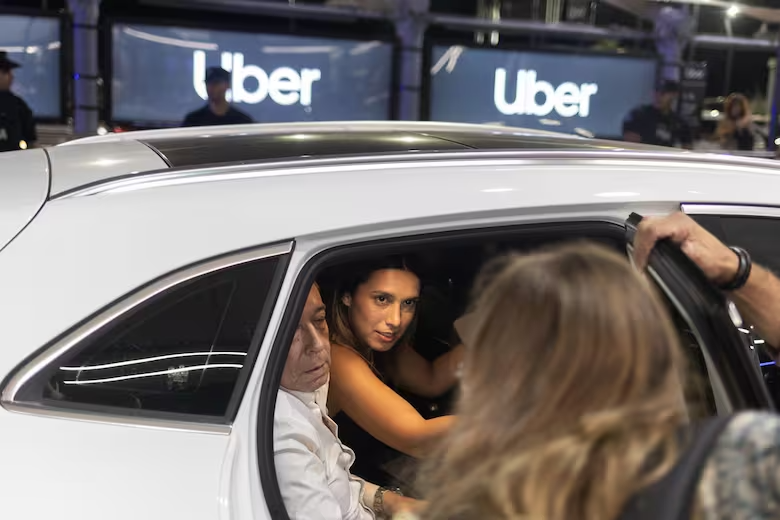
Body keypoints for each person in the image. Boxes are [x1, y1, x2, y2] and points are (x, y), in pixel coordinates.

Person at [415, 238, 780, 520]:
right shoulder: (737, 463)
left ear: (492, 373)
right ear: (652, 357)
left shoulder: (463, 506)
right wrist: (737, 271)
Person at [274, 283, 422, 520]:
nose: (318, 345)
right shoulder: (285, 439)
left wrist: (389, 501)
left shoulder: (305, 385)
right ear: (348, 298)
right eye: (290, 331)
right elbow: (417, 437)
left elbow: (333, 479)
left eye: (319, 320)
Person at [325, 257, 462, 488]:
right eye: (382, 299)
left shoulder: (378, 344)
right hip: (345, 487)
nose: (396, 320)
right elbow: (419, 440)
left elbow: (432, 379)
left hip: (371, 473)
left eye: (408, 303)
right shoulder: (339, 359)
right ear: (347, 296)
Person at [622, 80, 693, 149]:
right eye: (656, 92)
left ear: (674, 95)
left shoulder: (680, 124)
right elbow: (631, 145)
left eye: (663, 93)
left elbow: (687, 150)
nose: (658, 96)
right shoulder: (638, 115)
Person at [182, 67, 253, 127]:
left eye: (216, 83)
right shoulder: (193, 120)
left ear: (227, 85)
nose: (211, 87)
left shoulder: (242, 121)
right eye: (208, 83)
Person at [0, 51, 37, 152]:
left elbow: (30, 140)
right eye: (6, 72)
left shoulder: (17, 105)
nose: (11, 77)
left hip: (15, 158)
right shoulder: (17, 104)